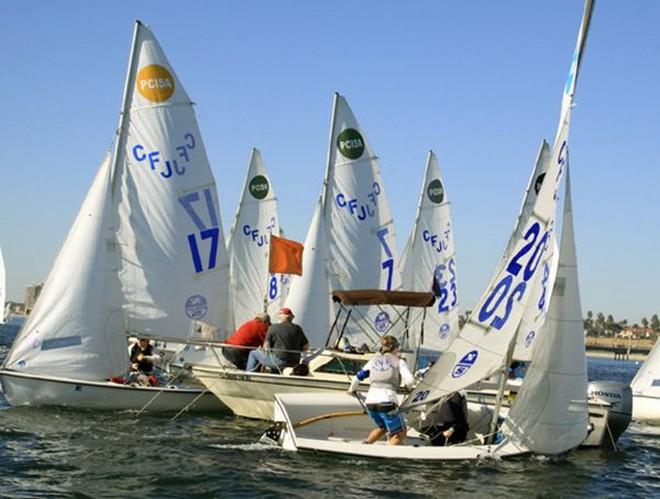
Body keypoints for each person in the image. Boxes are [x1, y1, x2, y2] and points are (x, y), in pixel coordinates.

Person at [347, 335, 415, 445]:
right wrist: (408, 388)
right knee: (400, 432)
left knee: (383, 427)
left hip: (370, 403)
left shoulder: (373, 361)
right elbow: (410, 380)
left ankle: (365, 446)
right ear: (396, 348)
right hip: (387, 402)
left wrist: (351, 390)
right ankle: (387, 457)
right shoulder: (399, 361)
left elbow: (357, 378)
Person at [246, 308, 309, 372]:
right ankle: (275, 373)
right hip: (295, 363)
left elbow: (266, 347)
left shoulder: (273, 327)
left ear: (280, 316)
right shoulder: (298, 328)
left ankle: (249, 374)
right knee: (275, 356)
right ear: (291, 317)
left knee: (253, 353)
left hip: (278, 362)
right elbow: (305, 347)